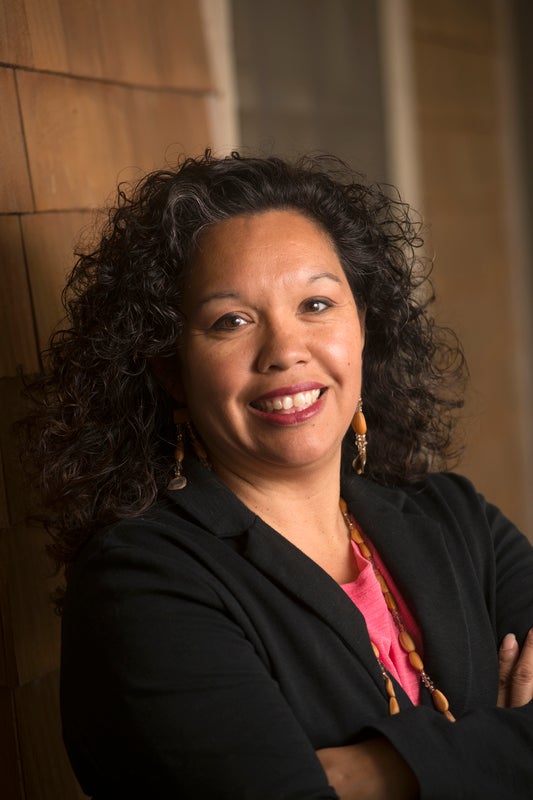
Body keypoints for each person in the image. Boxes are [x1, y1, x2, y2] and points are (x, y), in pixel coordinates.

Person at [23, 152, 533, 799]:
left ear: (362, 327)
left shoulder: (456, 519)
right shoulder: (143, 584)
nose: (285, 350)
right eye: (230, 321)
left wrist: (374, 771)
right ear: (170, 368)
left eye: (315, 303)